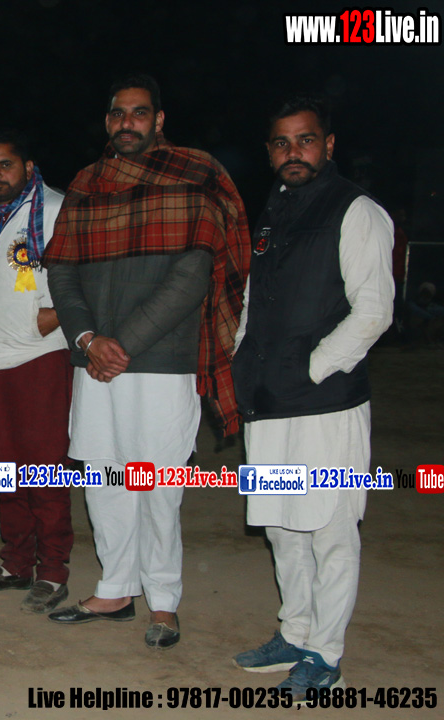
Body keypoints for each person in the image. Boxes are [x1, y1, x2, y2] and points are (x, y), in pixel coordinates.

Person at [45, 74, 250, 648]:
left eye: (139, 113)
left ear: (159, 120)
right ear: (107, 121)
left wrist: (122, 343)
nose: (127, 123)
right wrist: (89, 339)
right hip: (94, 361)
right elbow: (61, 269)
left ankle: (163, 601)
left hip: (162, 361)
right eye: (117, 114)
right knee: (104, 475)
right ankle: (115, 588)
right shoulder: (86, 183)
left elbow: (193, 273)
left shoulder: (193, 174)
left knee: (158, 483)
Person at [231, 94, 393, 700]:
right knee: (282, 527)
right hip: (269, 399)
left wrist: (314, 368)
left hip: (327, 404)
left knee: (330, 531)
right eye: (281, 142)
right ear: (270, 151)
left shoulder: (357, 210)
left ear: (328, 144)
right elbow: (254, 299)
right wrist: (244, 357)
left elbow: (374, 311)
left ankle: (326, 655)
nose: (292, 152)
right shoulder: (274, 211)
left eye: (305, 140)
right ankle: (295, 632)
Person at [0, 129, 74, 614]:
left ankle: (53, 572)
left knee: (44, 470)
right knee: (3, 471)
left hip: (37, 357)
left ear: (27, 167)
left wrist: (53, 314)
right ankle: (16, 564)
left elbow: (84, 270)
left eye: (5, 164)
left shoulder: (56, 207)